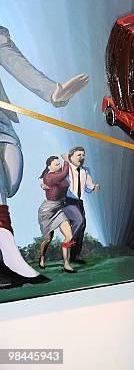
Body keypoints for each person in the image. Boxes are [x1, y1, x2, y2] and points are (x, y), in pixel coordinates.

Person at [0, 24, 88, 288]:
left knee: (11, 178)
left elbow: (14, 61)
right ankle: (9, 258)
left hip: (3, 123)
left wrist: (54, 92)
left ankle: (8, 257)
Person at [38, 155, 77, 273]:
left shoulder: (57, 175)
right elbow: (64, 174)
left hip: (59, 208)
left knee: (69, 236)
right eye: (56, 164)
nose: (59, 166)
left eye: (59, 164)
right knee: (48, 239)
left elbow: (66, 175)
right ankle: (42, 256)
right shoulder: (50, 177)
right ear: (49, 166)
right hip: (47, 211)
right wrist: (66, 160)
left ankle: (66, 263)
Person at [62, 147, 100, 263]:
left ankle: (75, 255)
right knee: (79, 221)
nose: (82, 157)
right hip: (68, 200)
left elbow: (88, 187)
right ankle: (67, 245)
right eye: (79, 155)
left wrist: (94, 187)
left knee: (82, 226)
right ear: (72, 156)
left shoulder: (85, 170)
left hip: (79, 201)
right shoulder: (66, 169)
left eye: (83, 155)